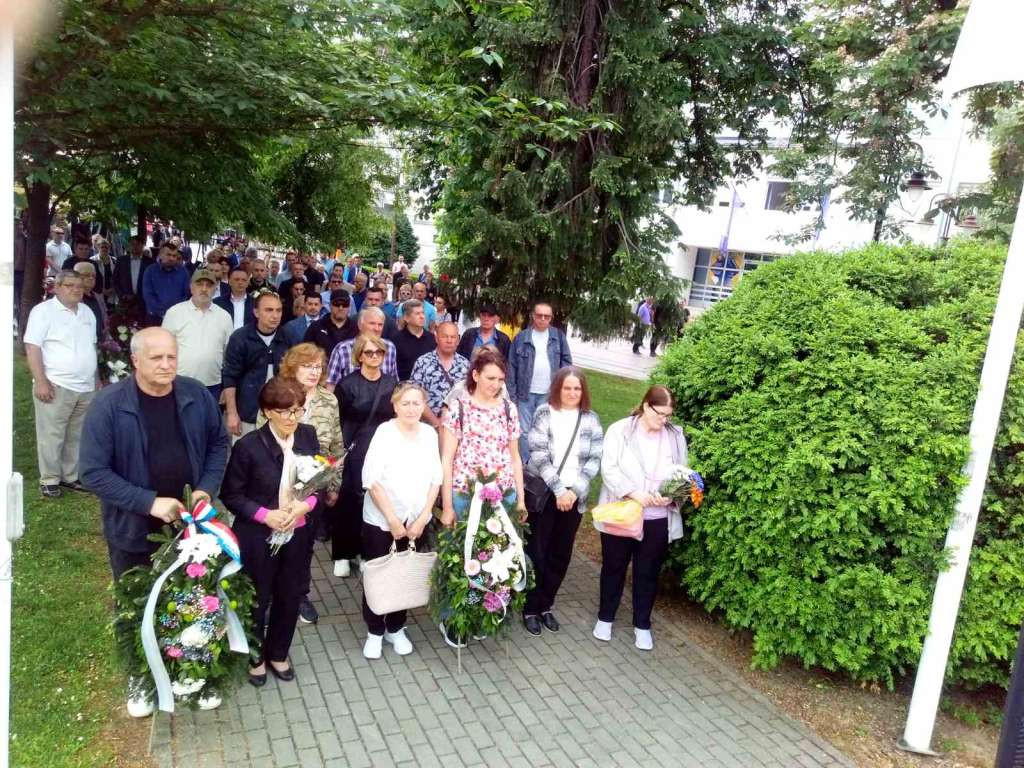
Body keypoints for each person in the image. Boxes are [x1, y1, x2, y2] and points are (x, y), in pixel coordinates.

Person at [80, 327, 228, 716]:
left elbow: (217, 444)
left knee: (191, 600)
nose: (166, 365)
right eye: (156, 358)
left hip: (190, 528)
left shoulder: (196, 394)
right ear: (135, 360)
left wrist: (206, 488)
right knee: (136, 605)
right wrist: (148, 503)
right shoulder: (109, 405)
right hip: (134, 531)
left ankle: (189, 668)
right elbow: (93, 473)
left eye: (171, 357)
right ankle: (141, 678)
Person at [220, 377, 321, 688]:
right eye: (286, 412)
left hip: (298, 532)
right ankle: (254, 655)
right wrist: (266, 515)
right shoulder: (248, 447)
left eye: (299, 410)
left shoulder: (308, 435)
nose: (294, 418)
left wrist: (306, 506)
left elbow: (318, 480)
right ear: (267, 411)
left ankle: (279, 651)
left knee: (290, 594)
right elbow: (231, 495)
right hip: (258, 535)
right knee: (258, 597)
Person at [593, 385, 687, 651]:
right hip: (623, 512)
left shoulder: (675, 436)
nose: (665, 420)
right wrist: (634, 493)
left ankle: (642, 625)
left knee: (648, 572)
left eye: (669, 415)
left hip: (657, 516)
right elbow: (609, 469)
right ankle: (605, 618)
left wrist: (670, 495)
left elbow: (682, 471)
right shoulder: (621, 430)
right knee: (614, 566)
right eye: (660, 414)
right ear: (646, 406)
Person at [256, 344, 343, 626]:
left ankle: (299, 595)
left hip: (311, 492)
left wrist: (333, 485)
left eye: (318, 367)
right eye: (307, 366)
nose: (314, 372)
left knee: (303, 549)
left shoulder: (329, 400)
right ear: (292, 367)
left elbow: (337, 444)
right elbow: (260, 442)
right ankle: (266, 598)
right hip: (276, 488)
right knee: (272, 545)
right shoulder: (275, 395)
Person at [359, 382, 441, 659]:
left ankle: (396, 628)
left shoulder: (429, 434)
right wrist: (392, 520)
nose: (411, 408)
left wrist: (423, 518)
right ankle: (374, 631)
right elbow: (371, 479)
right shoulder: (384, 433)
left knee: (403, 574)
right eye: (405, 403)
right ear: (394, 405)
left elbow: (435, 479)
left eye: (417, 403)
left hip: (415, 519)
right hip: (382, 519)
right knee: (379, 574)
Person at [522, 367, 604, 636]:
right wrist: (559, 490)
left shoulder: (591, 419)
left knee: (560, 554)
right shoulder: (544, 412)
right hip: (547, 495)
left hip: (574, 496)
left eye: (577, 388)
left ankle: (547, 605)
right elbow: (537, 453)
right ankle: (530, 608)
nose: (572, 393)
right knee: (538, 551)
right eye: (567, 388)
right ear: (558, 388)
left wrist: (573, 490)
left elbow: (594, 459)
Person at [24, 270, 98, 498]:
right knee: (52, 434)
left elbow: (91, 347)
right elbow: (32, 347)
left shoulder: (87, 312)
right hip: (57, 383)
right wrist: (41, 381)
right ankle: (49, 479)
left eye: (79, 285)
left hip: (85, 386)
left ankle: (70, 476)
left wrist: (95, 380)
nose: (76, 289)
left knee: (77, 434)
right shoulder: (43, 311)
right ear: (56, 287)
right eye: (69, 285)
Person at [332, 334, 396, 578]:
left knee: (374, 503)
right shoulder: (347, 385)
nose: (374, 357)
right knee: (347, 503)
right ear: (359, 356)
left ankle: (365, 550)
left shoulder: (391, 383)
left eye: (378, 352)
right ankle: (342, 554)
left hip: (382, 452)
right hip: (354, 451)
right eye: (369, 353)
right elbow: (339, 420)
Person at [440, 347, 525, 524]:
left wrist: (521, 501)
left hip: (503, 492)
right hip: (465, 492)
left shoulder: (509, 409)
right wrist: (447, 507)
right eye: (491, 378)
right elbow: (447, 459)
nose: (496, 384)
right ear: (476, 375)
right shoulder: (458, 408)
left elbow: (515, 457)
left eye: (501, 379)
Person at [507, 302, 573, 457]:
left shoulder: (558, 337)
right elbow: (511, 368)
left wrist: (561, 388)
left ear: (551, 318)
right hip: (525, 394)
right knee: (523, 431)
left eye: (546, 316)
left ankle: (539, 463)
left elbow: (567, 363)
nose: (542, 319)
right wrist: (512, 396)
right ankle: (525, 463)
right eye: (539, 315)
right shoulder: (521, 338)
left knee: (543, 431)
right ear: (533, 316)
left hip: (548, 394)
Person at [222, 292, 290, 440]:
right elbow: (229, 377)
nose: (275, 315)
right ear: (256, 312)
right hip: (247, 413)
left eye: (279, 310)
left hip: (279, 414)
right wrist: (232, 413)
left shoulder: (288, 337)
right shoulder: (240, 338)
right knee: (244, 459)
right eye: (269, 310)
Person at [161, 269, 235, 400]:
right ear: (191, 287)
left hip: (213, 385)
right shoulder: (174, 313)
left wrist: (226, 385)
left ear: (215, 289)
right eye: (199, 284)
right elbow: (164, 348)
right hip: (180, 383)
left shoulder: (224, 317)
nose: (204, 289)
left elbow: (228, 353)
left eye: (209, 285)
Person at [410, 322, 468, 427]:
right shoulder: (423, 362)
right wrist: (436, 423)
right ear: (436, 338)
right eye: (445, 336)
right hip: (427, 427)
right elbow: (415, 395)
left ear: (458, 340)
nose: (449, 341)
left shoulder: (465, 364)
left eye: (453, 337)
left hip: (457, 428)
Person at [325, 308, 397, 386]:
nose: (377, 328)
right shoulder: (342, 349)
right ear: (360, 325)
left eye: (380, 324)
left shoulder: (390, 347)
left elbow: (394, 382)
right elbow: (331, 384)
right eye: (372, 323)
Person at [142, 242, 190, 325]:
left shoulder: (183, 272)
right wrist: (163, 312)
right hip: (155, 318)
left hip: (177, 318)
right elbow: (148, 295)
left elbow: (186, 294)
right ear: (160, 254)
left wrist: (173, 312)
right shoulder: (150, 271)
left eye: (174, 256)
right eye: (168, 255)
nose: (171, 258)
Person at [393, 299, 436, 380]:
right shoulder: (396, 340)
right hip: (405, 387)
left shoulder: (433, 339)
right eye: (417, 314)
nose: (422, 316)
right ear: (406, 317)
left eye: (423, 313)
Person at [304, 289, 357, 355]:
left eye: (345, 304)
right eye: (337, 304)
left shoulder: (356, 328)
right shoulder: (316, 327)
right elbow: (305, 353)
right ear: (330, 305)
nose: (341, 308)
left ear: (349, 307)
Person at [113, 235, 154, 315]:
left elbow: (153, 283)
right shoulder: (121, 261)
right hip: (125, 301)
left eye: (138, 244)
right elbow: (115, 280)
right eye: (132, 244)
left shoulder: (150, 262)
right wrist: (122, 295)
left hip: (144, 302)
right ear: (129, 246)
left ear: (143, 245)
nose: (135, 246)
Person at [73, 261, 108, 343]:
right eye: (86, 275)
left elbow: (105, 320)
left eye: (93, 276)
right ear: (76, 277)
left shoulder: (98, 297)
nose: (91, 278)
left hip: (100, 342)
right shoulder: (72, 299)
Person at [213, 266, 255, 330]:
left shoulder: (256, 303)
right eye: (237, 279)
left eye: (243, 280)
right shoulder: (217, 303)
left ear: (247, 283)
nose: (240, 282)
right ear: (229, 281)